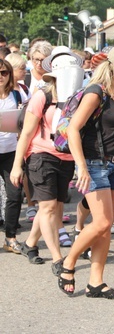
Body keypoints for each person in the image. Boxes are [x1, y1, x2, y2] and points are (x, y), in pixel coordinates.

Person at [57, 45, 114, 298]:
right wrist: (81, 166)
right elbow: (74, 129)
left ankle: (95, 282)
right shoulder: (96, 92)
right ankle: (67, 263)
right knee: (102, 222)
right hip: (94, 163)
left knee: (106, 227)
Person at [8, 49, 81, 267]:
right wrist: (17, 166)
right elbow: (26, 133)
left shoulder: (78, 97)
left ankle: (30, 243)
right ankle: (58, 259)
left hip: (66, 158)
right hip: (41, 156)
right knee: (48, 207)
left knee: (51, 207)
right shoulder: (42, 96)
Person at [1, 58, 25, 255]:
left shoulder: (17, 94)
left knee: (15, 194)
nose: (0, 77)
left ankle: (10, 237)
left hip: (11, 151)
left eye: (4, 73)